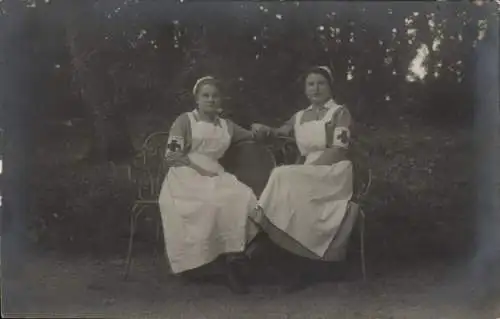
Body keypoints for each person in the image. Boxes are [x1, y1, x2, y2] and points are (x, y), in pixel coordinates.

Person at [250, 66, 354, 292]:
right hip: (306, 172)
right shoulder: (299, 116)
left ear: (330, 87)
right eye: (311, 84)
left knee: (282, 173)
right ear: (305, 89)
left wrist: (309, 169)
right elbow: (280, 132)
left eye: (321, 83)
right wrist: (264, 129)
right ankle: (295, 265)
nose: (315, 88)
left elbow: (338, 149)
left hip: (332, 170)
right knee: (290, 190)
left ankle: (260, 228)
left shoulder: (339, 113)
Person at [158, 76, 259, 294]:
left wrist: (264, 130)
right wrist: (199, 170)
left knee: (244, 197)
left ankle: (235, 258)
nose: (211, 100)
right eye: (206, 95)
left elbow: (251, 136)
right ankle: (214, 264)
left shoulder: (227, 126)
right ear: (197, 99)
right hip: (185, 173)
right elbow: (172, 155)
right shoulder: (184, 121)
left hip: (216, 173)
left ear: (221, 99)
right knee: (211, 203)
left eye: (215, 96)